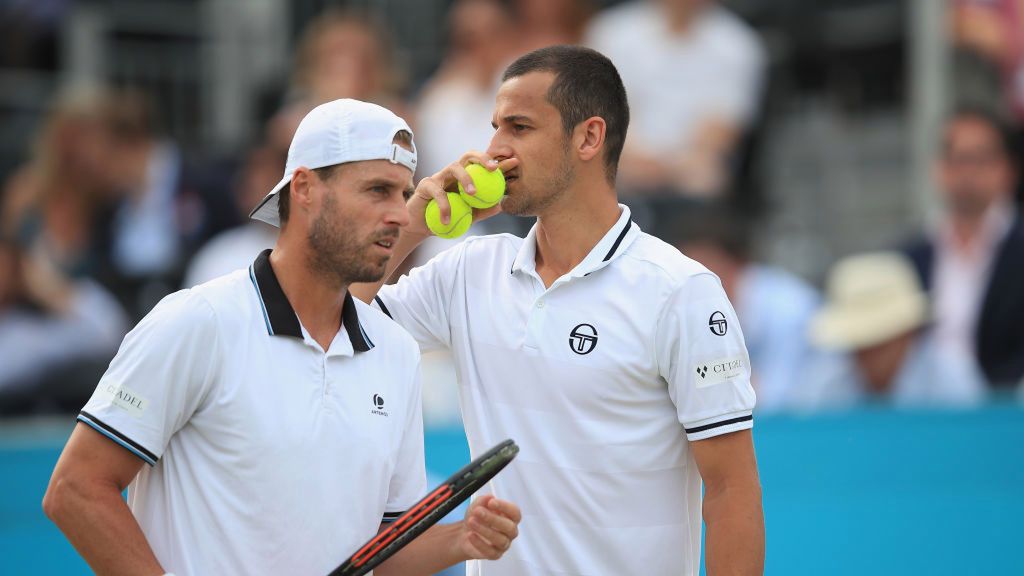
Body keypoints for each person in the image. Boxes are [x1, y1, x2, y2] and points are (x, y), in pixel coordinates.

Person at [43, 99, 520, 576]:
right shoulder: (197, 322)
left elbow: (382, 551)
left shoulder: (395, 353)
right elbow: (77, 489)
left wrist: (461, 538)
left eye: (403, 193)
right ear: (306, 188)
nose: (399, 213)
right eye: (377, 190)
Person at [352, 45, 764, 576]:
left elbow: (731, 490)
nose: (494, 150)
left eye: (519, 128)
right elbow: (340, 323)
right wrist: (413, 224)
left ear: (589, 137)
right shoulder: (466, 270)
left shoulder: (680, 290)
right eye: (495, 127)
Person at [584, 0, 766, 198]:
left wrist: (675, 165)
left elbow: (725, 126)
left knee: (706, 178)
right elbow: (600, 107)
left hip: (695, 166)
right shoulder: (610, 31)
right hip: (621, 155)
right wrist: (630, 155)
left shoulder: (739, 44)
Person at [903, 106, 1024, 388]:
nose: (967, 173)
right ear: (939, 168)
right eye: (958, 159)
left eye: (980, 159)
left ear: (1008, 169)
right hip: (925, 417)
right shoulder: (910, 257)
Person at [664, 203, 820, 412]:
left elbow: (777, 398)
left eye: (705, 267)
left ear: (737, 262)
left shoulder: (790, 309)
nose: (694, 280)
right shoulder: (690, 307)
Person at [801, 252, 986, 409]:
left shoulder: (950, 380)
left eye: (880, 342)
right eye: (860, 344)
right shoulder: (826, 386)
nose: (868, 355)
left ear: (907, 334)